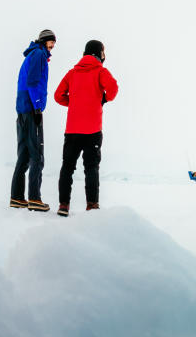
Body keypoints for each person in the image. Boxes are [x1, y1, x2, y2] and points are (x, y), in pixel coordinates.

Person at [54, 40, 119, 216]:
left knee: (67, 167)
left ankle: (63, 205)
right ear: (99, 53)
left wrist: (74, 104)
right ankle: (92, 205)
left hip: (72, 130)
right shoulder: (101, 72)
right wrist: (103, 99)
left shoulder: (72, 73)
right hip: (92, 131)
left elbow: (58, 96)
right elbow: (113, 89)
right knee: (91, 168)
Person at [11, 29, 56, 211]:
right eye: (51, 42)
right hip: (31, 110)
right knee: (37, 154)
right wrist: (37, 107)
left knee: (24, 155)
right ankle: (34, 199)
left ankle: (17, 197)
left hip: (22, 110)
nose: (53, 46)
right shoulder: (38, 54)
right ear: (44, 41)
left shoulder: (31, 55)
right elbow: (33, 82)